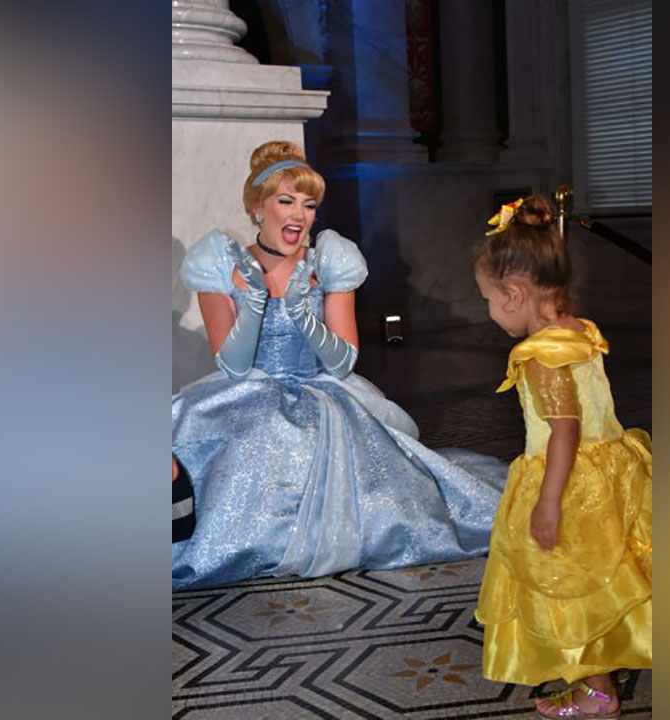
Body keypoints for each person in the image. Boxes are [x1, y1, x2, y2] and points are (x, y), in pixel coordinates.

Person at [171, 141, 507, 589]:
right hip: (249, 388)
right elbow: (232, 366)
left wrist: (302, 314)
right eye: (286, 201)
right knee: (234, 435)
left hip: (321, 392)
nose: (299, 215)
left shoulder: (328, 261)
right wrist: (253, 300)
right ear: (257, 209)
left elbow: (343, 359)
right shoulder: (223, 265)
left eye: (309, 205)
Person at [471, 195, 652, 718]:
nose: (486, 310)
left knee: (569, 585)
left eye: (486, 298)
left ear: (514, 293)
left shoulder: (539, 357)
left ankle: (597, 690)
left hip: (567, 481)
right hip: (612, 470)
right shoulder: (581, 333)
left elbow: (565, 432)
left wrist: (548, 501)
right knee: (613, 573)